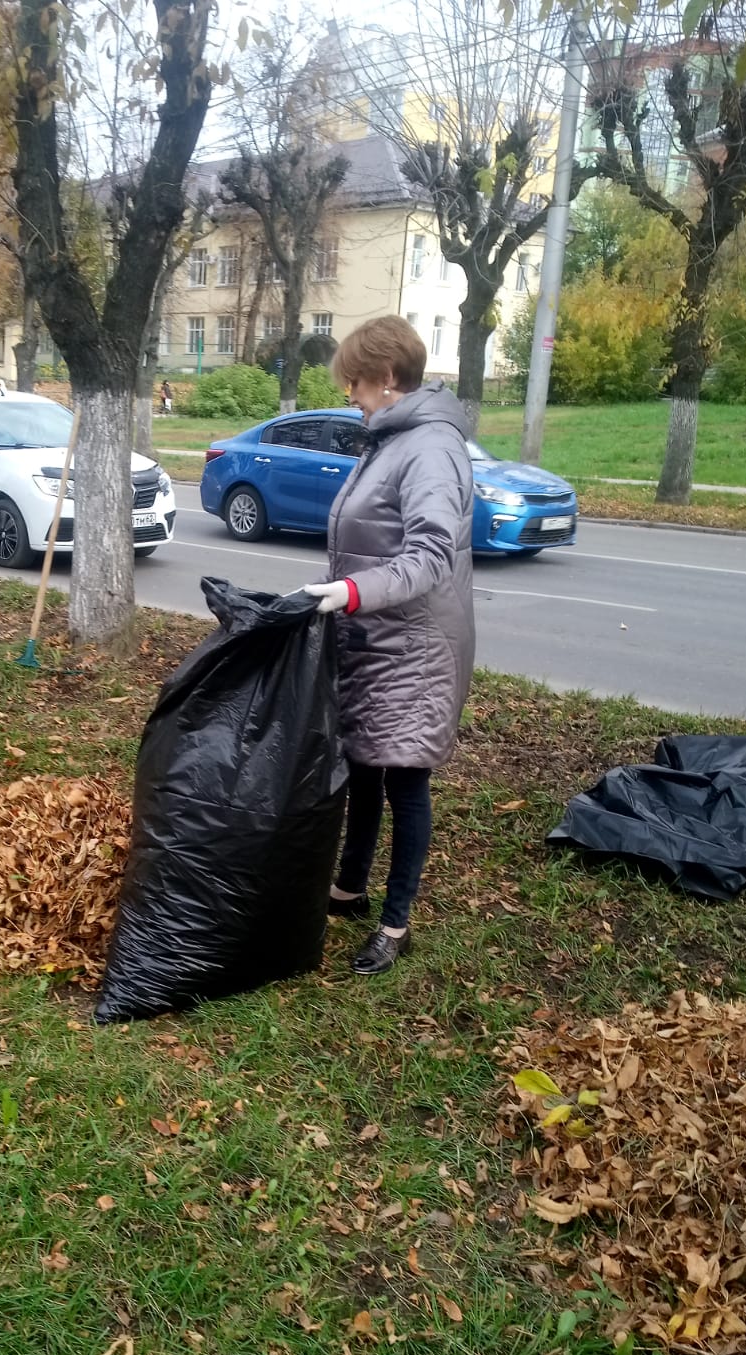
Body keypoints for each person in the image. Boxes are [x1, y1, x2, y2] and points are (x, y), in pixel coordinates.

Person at [304, 315, 475, 976]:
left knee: (404, 777)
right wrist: (339, 596)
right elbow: (369, 537)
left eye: (353, 379)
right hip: (375, 635)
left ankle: (396, 924)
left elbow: (430, 555)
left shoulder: (430, 448)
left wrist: (351, 592)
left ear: (384, 375)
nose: (348, 391)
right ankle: (350, 888)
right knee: (364, 766)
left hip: (416, 645)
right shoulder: (390, 439)